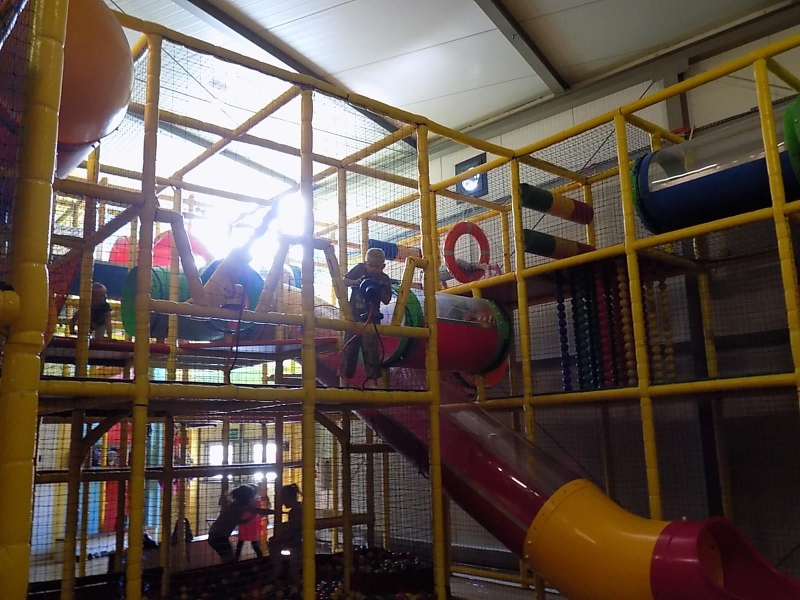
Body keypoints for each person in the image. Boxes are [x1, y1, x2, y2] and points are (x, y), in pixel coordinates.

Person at [340, 248, 392, 383]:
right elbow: (343, 281)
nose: (373, 269)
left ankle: (373, 384)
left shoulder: (384, 278)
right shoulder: (360, 269)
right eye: (371, 265)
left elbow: (387, 300)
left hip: (372, 319)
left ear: (383, 266)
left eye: (377, 267)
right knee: (349, 349)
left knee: (371, 352)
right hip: (354, 317)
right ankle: (344, 382)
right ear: (365, 263)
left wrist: (379, 289)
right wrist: (356, 282)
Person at [207, 485, 273, 563]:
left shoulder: (236, 505)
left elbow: (232, 520)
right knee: (229, 559)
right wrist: (277, 512)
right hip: (218, 537)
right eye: (251, 496)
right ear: (246, 497)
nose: (253, 499)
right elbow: (259, 511)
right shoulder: (241, 506)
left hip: (217, 535)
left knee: (228, 558)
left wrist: (245, 520)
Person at [269, 484, 302, 580]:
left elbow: (295, 529)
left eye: (283, 499)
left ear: (290, 497)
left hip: (297, 541)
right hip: (296, 539)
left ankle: (278, 571)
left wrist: (283, 535)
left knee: (273, 543)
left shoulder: (295, 511)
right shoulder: (298, 508)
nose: (283, 502)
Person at [235, 494, 267, 560]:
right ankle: (261, 559)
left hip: (248, 524)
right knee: (253, 543)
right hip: (252, 524)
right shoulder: (256, 501)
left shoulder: (244, 502)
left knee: (241, 543)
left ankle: (235, 560)